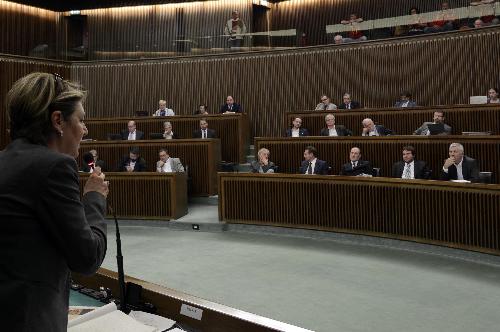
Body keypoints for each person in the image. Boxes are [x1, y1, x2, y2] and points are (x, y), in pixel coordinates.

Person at [0, 72, 108, 331]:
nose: (85, 129)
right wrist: (94, 197)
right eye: (81, 120)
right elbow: (87, 258)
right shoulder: (55, 167)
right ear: (58, 120)